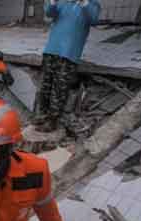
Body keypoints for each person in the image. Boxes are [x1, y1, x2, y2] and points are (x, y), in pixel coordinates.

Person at [37, 0, 101, 131]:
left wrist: (84, 2)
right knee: (45, 85)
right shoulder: (62, 2)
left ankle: (52, 121)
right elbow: (49, 13)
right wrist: (53, 2)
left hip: (69, 53)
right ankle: (42, 115)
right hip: (51, 49)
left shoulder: (92, 4)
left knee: (59, 89)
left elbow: (94, 19)